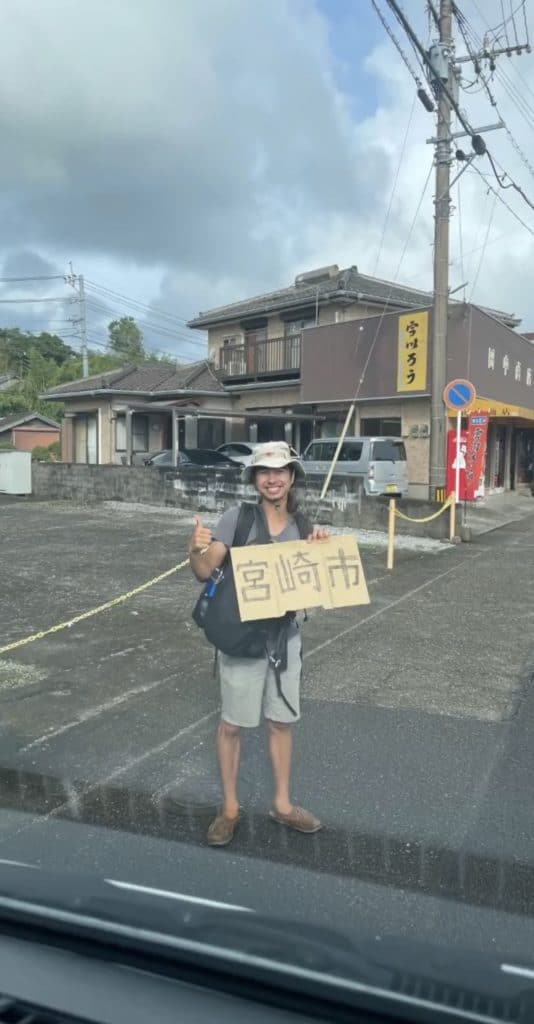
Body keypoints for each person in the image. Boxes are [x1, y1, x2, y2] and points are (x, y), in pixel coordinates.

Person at [189, 441, 329, 847]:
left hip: (285, 638)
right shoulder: (238, 518)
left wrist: (321, 548)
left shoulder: (302, 525)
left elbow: (312, 581)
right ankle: (229, 808)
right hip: (242, 637)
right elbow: (203, 570)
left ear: (291, 478)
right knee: (232, 724)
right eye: (265, 471)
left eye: (281, 471)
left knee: (281, 721)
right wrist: (193, 546)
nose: (273, 478)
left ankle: (283, 805)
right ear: (254, 478)